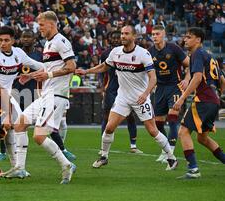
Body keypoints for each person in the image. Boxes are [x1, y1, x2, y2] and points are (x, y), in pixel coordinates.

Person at [76, 25, 178, 171]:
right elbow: (104, 67)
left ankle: (171, 158)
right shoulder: (115, 52)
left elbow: (153, 77)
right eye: (122, 33)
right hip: (122, 97)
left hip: (139, 98)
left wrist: (146, 93)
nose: (123, 36)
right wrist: (86, 71)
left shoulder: (143, 54)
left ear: (134, 37)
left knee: (152, 130)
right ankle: (104, 156)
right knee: (109, 127)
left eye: (126, 34)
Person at [4, 11, 77, 184]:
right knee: (20, 123)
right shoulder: (48, 44)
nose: (39, 29)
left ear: (51, 24)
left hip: (56, 96)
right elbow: (47, 68)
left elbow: (72, 67)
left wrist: (49, 75)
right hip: (46, 95)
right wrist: (30, 76)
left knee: (39, 136)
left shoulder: (61, 41)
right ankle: (20, 168)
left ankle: (66, 165)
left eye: (41, 25)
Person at [0, 26, 45, 173]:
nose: (3, 43)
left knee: (16, 128)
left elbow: (37, 65)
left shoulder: (18, 53)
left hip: (9, 96)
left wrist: (54, 68)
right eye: (0, 40)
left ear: (13, 40)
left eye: (6, 40)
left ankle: (16, 167)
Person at [173, 27, 225, 179]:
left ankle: (193, 169)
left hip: (203, 100)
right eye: (185, 37)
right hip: (212, 101)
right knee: (202, 138)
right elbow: (222, 80)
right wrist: (219, 95)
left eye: (189, 37)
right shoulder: (210, 56)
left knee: (183, 131)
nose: (185, 40)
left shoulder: (196, 54)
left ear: (198, 40)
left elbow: (196, 78)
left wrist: (182, 98)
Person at [149, 25, 190, 162]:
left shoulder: (173, 48)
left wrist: (187, 78)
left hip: (175, 86)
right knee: (158, 122)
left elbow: (189, 64)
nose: (154, 36)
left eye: (157, 34)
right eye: (153, 34)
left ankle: (170, 152)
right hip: (160, 88)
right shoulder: (150, 52)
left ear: (163, 34)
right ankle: (165, 149)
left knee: (172, 118)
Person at [99, 30, 142, 154]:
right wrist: (102, 86)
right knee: (107, 117)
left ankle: (133, 145)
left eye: (119, 37)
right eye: (115, 37)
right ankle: (103, 148)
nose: (117, 39)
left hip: (127, 89)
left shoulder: (132, 53)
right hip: (111, 88)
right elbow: (102, 70)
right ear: (110, 39)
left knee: (130, 117)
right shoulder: (107, 53)